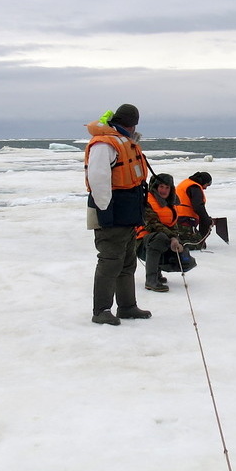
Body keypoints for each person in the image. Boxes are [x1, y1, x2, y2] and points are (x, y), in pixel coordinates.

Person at [84, 103, 152, 325]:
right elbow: (98, 179)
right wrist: (106, 213)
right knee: (110, 261)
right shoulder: (105, 144)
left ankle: (127, 306)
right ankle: (101, 310)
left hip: (128, 212)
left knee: (127, 261)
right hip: (112, 213)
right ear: (132, 124)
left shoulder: (121, 141)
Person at [136, 173, 197, 292]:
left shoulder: (170, 203)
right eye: (161, 187)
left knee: (187, 261)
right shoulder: (146, 201)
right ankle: (151, 279)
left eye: (167, 187)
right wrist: (172, 238)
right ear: (155, 187)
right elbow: (153, 224)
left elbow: (173, 225)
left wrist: (176, 240)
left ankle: (157, 272)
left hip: (163, 239)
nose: (164, 190)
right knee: (160, 238)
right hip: (141, 243)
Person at [175, 172, 213, 248]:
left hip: (175, 218)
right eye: (207, 185)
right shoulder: (195, 187)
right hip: (185, 219)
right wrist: (207, 220)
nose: (205, 188)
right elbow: (198, 207)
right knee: (198, 244)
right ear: (204, 182)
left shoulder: (186, 183)